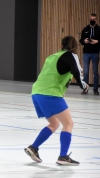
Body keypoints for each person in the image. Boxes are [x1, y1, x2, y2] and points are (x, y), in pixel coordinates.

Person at [24, 36, 89, 165]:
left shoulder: (52, 56)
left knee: (54, 124)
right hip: (50, 93)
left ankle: (33, 147)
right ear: (75, 46)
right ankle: (63, 156)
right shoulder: (71, 56)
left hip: (37, 92)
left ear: (61, 45)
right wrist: (84, 85)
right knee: (68, 123)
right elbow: (76, 70)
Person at [79, 13, 100, 95]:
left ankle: (95, 89)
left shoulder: (99, 29)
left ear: (96, 20)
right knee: (86, 72)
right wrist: (84, 41)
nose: (92, 21)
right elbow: (81, 40)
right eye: (91, 19)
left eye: (93, 19)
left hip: (95, 52)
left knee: (95, 72)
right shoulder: (85, 29)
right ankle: (85, 88)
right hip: (86, 53)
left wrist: (97, 41)